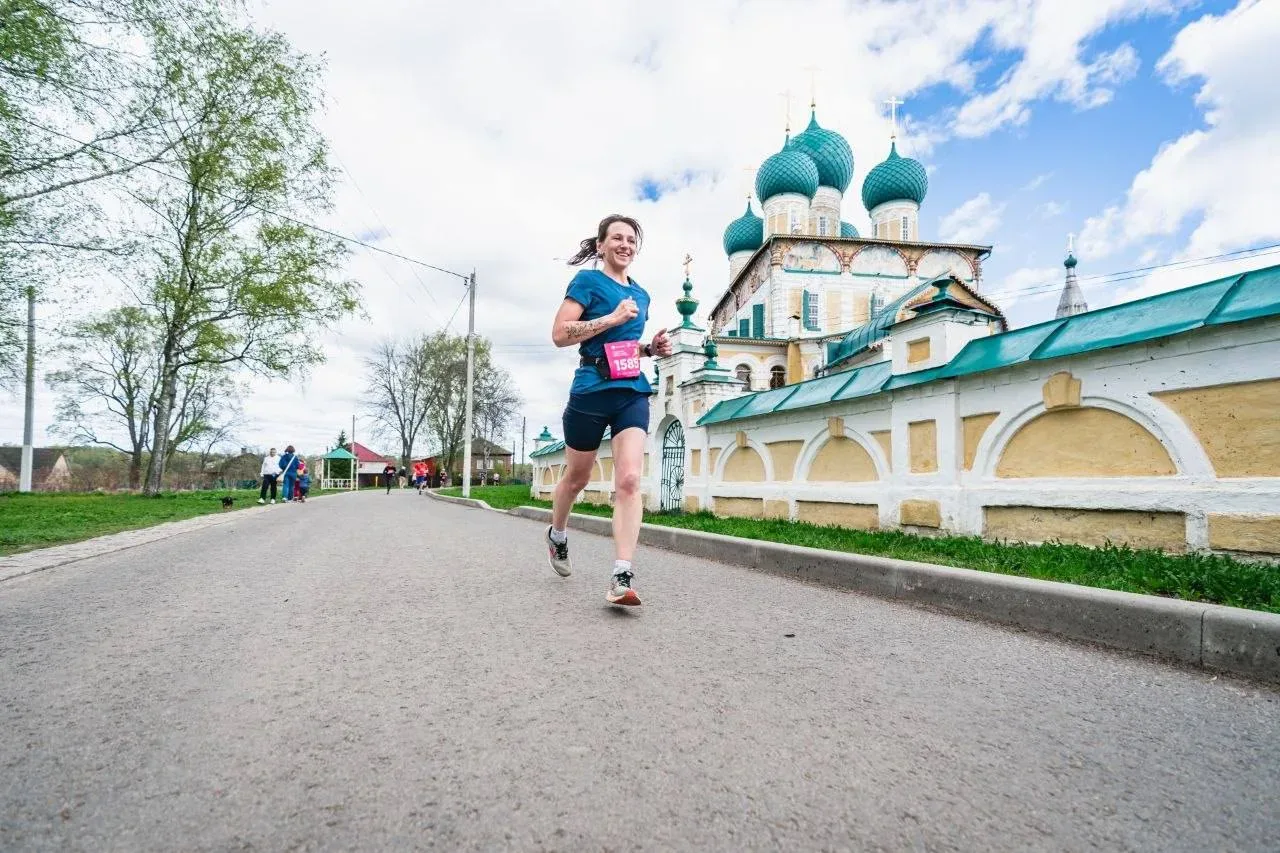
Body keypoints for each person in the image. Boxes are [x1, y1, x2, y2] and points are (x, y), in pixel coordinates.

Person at [545, 214, 672, 606]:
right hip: (590, 389)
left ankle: (621, 575)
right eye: (617, 238)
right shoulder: (587, 282)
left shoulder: (642, 294)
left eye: (631, 240)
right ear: (600, 245)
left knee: (630, 480)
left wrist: (649, 349)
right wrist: (612, 318)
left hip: (631, 390)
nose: (625, 245)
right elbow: (560, 334)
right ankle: (557, 534)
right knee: (577, 478)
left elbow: (625, 347)